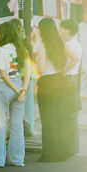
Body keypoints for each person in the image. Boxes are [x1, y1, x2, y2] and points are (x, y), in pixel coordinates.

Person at [32, 18, 79, 162]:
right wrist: (64, 70)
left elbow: (41, 69)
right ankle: (62, 153)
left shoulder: (42, 45)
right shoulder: (60, 43)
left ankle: (50, 154)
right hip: (60, 81)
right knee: (59, 118)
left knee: (48, 120)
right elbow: (75, 58)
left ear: (43, 30)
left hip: (47, 83)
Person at [0, 19, 32, 167]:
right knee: (17, 125)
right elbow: (28, 73)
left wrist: (15, 89)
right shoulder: (22, 50)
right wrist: (23, 90)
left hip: (4, 88)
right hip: (20, 86)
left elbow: (2, 74)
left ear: (4, 34)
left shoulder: (1, 51)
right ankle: (17, 159)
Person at [59, 18, 84, 155]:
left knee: (68, 114)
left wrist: (64, 71)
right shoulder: (74, 43)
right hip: (72, 80)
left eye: (62, 28)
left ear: (68, 30)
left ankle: (69, 148)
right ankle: (72, 147)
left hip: (69, 79)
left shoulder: (70, 44)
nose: (60, 30)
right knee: (70, 115)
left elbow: (75, 59)